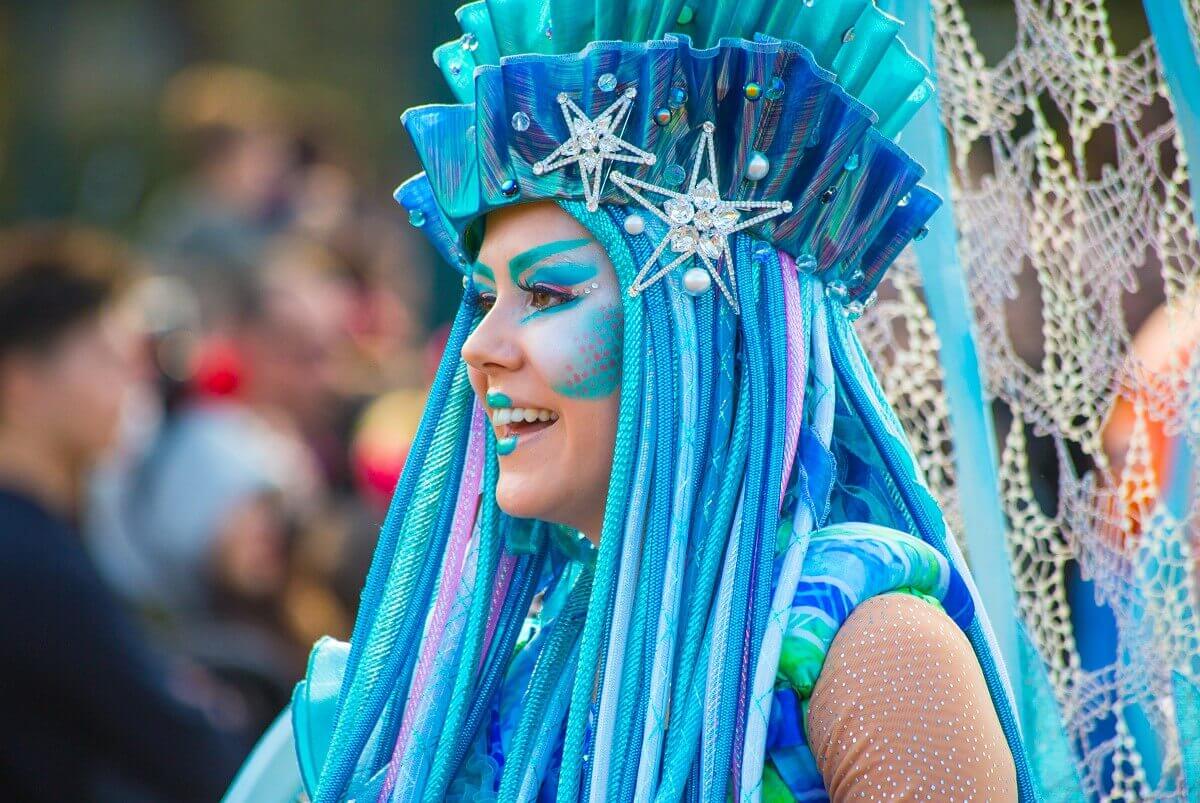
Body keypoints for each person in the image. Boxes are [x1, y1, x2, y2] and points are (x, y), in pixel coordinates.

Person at [227, 1, 1039, 800]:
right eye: (482, 299)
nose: (479, 347)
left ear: (699, 333)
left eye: (545, 294)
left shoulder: (874, 650)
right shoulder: (516, 670)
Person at [0, 224, 242, 801]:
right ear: (21, 383)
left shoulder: (44, 533)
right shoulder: (27, 561)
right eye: (108, 357)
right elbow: (185, 751)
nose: (135, 382)